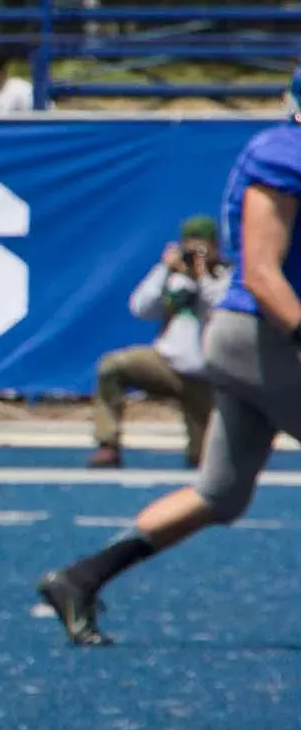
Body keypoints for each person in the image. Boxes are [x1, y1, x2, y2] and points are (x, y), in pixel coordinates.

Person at [37, 69, 301, 647]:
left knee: (218, 495)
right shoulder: (286, 153)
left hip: (250, 340)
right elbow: (260, 271)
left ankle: (81, 577)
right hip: (265, 334)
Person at [87, 215, 229, 469]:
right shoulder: (173, 276)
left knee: (203, 460)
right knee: (113, 366)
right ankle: (107, 444)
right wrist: (164, 269)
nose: (196, 253)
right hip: (166, 364)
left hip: (207, 377)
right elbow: (140, 308)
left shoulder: (226, 277)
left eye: (202, 247)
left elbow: (219, 306)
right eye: (190, 246)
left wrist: (202, 276)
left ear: (215, 246)